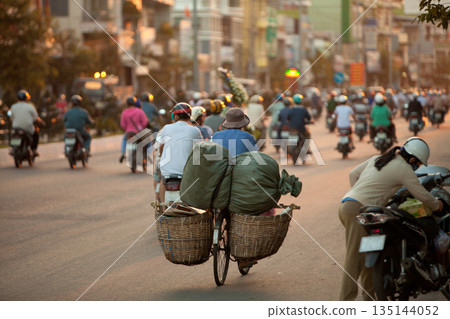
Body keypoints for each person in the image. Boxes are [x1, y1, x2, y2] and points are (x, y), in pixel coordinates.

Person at [339, 137, 443, 301]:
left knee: (368, 253)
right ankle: (344, 302)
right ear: (412, 159)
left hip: (352, 206)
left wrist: (360, 195)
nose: (418, 167)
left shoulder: (379, 158)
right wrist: (438, 206)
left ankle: (370, 298)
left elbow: (353, 174)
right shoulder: (404, 169)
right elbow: (422, 195)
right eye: (418, 164)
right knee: (355, 258)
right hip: (357, 211)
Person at [157, 102, 203, 202]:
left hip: (168, 173)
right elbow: (199, 150)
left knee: (162, 180)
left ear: (176, 116)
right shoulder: (194, 130)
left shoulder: (166, 128)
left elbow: (161, 147)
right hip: (186, 173)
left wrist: (161, 156)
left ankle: (163, 208)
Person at [10, 90, 41, 156]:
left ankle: (13, 149)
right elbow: (36, 117)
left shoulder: (13, 107)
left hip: (16, 127)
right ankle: (34, 150)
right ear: (26, 98)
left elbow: (11, 118)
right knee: (36, 134)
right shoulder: (30, 106)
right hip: (28, 127)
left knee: (13, 135)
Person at [119, 96, 148, 163]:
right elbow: (144, 123)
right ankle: (145, 157)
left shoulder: (124, 112)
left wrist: (128, 129)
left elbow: (122, 125)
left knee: (124, 140)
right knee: (147, 141)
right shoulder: (140, 111)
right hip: (138, 133)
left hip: (128, 133)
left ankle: (123, 153)